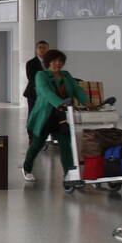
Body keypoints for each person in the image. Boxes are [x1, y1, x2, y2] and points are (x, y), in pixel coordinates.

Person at [22, 49, 87, 184]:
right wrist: (60, 103)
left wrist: (88, 103)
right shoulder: (41, 75)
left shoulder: (66, 75)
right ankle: (27, 168)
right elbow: (46, 92)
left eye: (60, 61)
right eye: (54, 61)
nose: (57, 64)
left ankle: (69, 176)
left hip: (62, 117)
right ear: (48, 62)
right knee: (37, 144)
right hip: (45, 116)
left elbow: (77, 90)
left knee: (66, 145)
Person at [23, 40, 50, 126]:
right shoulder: (31, 63)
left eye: (44, 48)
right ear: (36, 49)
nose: (42, 49)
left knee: (45, 114)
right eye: (40, 47)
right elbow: (31, 78)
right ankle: (31, 134)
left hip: (47, 93)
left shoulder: (51, 63)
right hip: (33, 93)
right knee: (33, 113)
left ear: (48, 49)